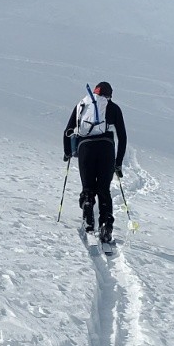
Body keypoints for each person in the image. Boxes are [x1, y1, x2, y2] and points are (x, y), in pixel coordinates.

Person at [63, 80, 127, 243]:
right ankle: (106, 225)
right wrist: (118, 162)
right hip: (106, 149)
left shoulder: (82, 105)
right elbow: (123, 137)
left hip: (86, 149)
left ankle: (87, 211)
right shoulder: (113, 108)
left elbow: (68, 131)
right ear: (109, 95)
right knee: (103, 190)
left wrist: (67, 152)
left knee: (88, 187)